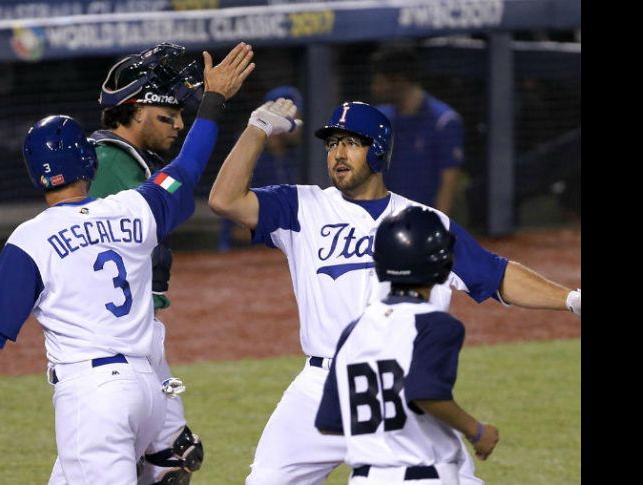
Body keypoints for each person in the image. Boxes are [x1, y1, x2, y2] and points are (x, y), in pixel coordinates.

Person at [207, 99, 580, 485]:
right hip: (321, 384)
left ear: (379, 150)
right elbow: (224, 200)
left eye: (351, 142)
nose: (338, 153)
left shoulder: (424, 223)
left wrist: (571, 299)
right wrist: (259, 128)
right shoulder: (301, 206)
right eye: (332, 143)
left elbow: (496, 275)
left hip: (402, 387)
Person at [0, 41, 255, 485]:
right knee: (158, 462)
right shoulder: (132, 207)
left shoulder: (30, 239)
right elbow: (188, 167)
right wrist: (214, 101)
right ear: (90, 160)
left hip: (92, 393)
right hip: (147, 386)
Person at [85, 42, 208, 485]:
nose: (178, 124)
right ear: (135, 111)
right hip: (108, 351)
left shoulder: (123, 162)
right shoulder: (106, 163)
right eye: (166, 115)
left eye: (180, 115)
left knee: (171, 458)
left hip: (135, 340)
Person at [315, 206, 499, 484]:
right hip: (423, 477)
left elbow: (332, 422)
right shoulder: (436, 324)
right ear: (441, 264)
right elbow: (425, 392)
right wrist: (477, 431)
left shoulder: (354, 330)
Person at [370, 45, 464, 214]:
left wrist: (437, 228)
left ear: (399, 80)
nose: (375, 88)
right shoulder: (380, 119)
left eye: (380, 81)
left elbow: (448, 183)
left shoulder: (443, 121)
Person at [218, 85, 304, 251]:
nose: (299, 124)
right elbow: (237, 231)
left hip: (279, 250)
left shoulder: (296, 157)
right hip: (240, 254)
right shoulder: (249, 158)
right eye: (295, 117)